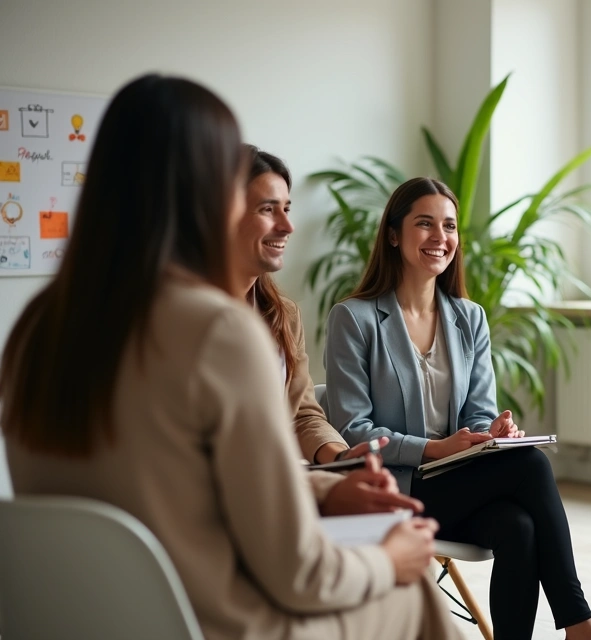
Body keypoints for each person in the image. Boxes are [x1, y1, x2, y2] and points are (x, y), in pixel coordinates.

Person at [0, 74, 458, 640]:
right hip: (214, 622)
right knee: (407, 588)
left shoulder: (37, 325)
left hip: (80, 619)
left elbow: (180, 487)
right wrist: (390, 560)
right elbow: (300, 573)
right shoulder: (218, 331)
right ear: (206, 189)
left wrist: (328, 485)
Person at [324, 177, 591, 640]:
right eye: (425, 224)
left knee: (517, 527)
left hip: (457, 481)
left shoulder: (468, 317)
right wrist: (435, 449)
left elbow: (478, 411)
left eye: (450, 226)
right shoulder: (354, 319)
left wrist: (489, 431)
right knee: (531, 466)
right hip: (398, 486)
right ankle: (579, 622)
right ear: (393, 234)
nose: (441, 238)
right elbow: (354, 429)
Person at [234, 145, 403, 517]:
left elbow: (302, 415)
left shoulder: (283, 315)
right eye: (268, 209)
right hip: (246, 498)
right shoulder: (185, 321)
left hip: (279, 485)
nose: (287, 225)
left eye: (287, 208)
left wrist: (341, 457)